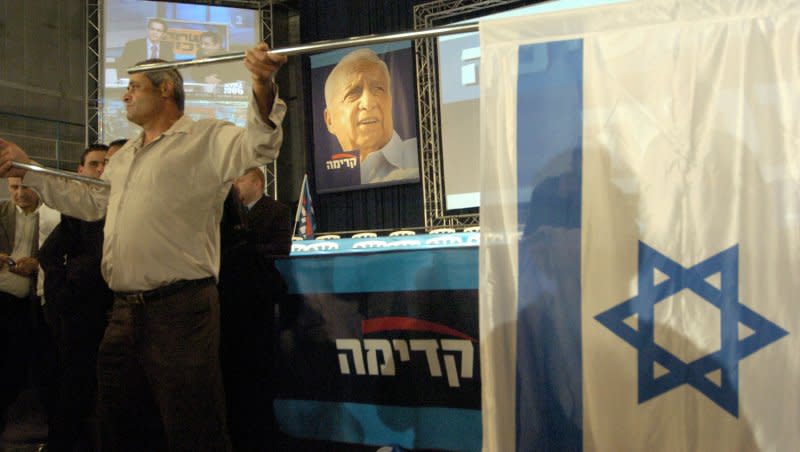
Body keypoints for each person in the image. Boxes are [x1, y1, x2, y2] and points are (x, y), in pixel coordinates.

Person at [0, 41, 287, 451]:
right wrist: (29, 168)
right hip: (124, 310)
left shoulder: (204, 138)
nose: (126, 94)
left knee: (193, 425)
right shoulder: (125, 155)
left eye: (134, 85)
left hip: (181, 310)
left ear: (166, 88)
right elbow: (92, 200)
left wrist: (261, 82)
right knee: (118, 422)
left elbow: (260, 146)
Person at [39, 144, 113, 451]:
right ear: (81, 170)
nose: (101, 170)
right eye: (95, 164)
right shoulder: (79, 213)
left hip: (120, 308)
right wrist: (64, 291)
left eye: (105, 164)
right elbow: (48, 253)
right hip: (84, 310)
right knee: (76, 384)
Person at [218, 167, 290, 450]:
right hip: (228, 301)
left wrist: (246, 247)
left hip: (256, 298)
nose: (235, 184)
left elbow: (280, 248)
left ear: (257, 182)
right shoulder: (225, 214)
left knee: (256, 373)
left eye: (240, 179)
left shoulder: (276, 210)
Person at [323, 48, 419, 184]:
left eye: (378, 89)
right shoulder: (328, 180)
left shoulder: (422, 155)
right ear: (330, 120)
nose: (369, 103)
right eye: (353, 93)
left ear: (390, 100)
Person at [0, 177, 45, 437]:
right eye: (14, 187)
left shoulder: (50, 218)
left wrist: (37, 264)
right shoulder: (3, 211)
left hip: (27, 300)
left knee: (16, 364)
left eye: (24, 187)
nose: (19, 193)